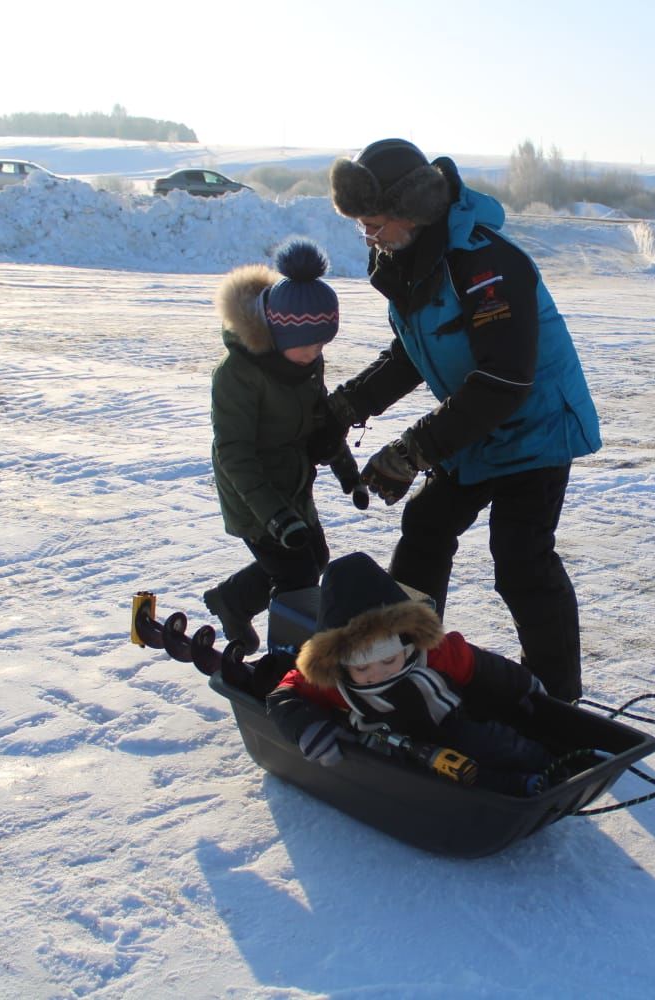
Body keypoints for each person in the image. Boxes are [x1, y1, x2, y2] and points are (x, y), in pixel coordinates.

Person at [319, 138, 601, 701]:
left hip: (537, 427)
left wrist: (412, 451)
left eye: (375, 224)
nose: (369, 238)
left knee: (522, 562)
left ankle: (557, 700)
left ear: (412, 212)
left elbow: (504, 381)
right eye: (362, 227)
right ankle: (407, 659)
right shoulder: (407, 260)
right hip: (478, 425)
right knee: (426, 527)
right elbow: (412, 353)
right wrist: (348, 405)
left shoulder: (486, 265)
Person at [266, 552, 554, 796]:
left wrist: (527, 688)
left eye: (388, 660)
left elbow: (488, 669)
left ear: (409, 643)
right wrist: (307, 726)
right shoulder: (333, 682)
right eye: (362, 668)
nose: (376, 674)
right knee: (453, 778)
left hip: (451, 722)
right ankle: (522, 787)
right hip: (390, 749)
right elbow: (283, 695)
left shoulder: (436, 655)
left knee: (490, 743)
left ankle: (547, 762)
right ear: (339, 663)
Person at [203, 238, 367, 653]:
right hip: (253, 495)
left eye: (323, 343)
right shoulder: (237, 374)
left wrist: (349, 474)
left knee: (316, 557)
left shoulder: (305, 363)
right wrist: (274, 517)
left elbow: (320, 424)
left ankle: (233, 600)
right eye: (309, 342)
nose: (317, 352)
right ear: (276, 331)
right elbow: (234, 453)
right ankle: (289, 665)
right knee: (296, 577)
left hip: (292, 484)